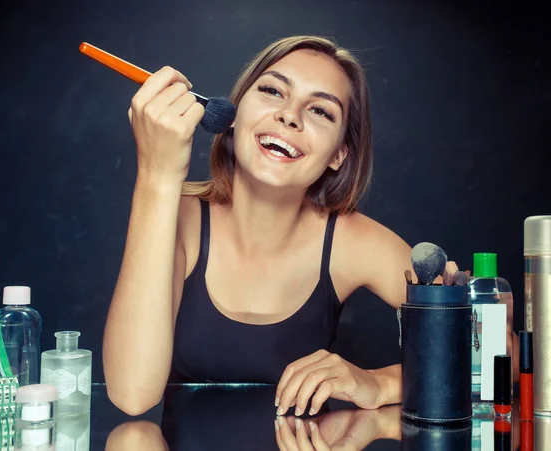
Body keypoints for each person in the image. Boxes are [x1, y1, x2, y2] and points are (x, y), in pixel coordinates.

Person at [103, 35, 414, 417]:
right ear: (232, 116)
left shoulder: (354, 240)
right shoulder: (175, 216)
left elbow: (494, 345)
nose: (290, 116)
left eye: (320, 111)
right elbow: (131, 395)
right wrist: (157, 175)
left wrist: (379, 383)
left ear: (338, 155)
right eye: (271, 91)